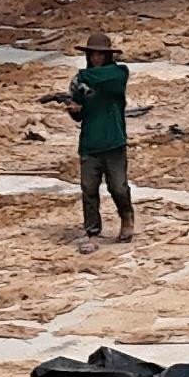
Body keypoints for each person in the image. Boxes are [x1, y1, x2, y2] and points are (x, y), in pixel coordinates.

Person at [56, 34, 134, 244]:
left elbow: (103, 79)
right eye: (93, 54)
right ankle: (92, 231)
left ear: (108, 56)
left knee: (118, 187)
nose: (96, 58)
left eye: (100, 54)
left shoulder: (118, 74)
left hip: (114, 140)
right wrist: (74, 109)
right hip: (90, 142)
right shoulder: (81, 81)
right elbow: (79, 114)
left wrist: (81, 78)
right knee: (89, 189)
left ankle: (126, 217)